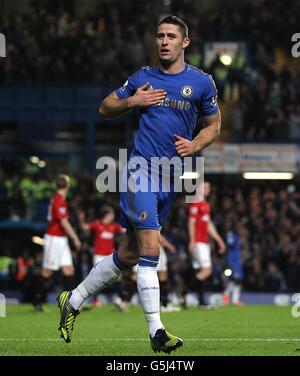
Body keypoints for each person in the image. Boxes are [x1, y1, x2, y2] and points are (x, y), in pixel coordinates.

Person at [57, 15, 221, 353]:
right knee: (151, 245)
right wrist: (132, 101)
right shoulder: (143, 78)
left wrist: (195, 145)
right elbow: (105, 107)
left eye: (171, 36)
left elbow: (213, 125)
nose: (164, 41)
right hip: (139, 170)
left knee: (129, 254)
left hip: (170, 177)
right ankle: (157, 332)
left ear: (184, 43)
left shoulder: (202, 83)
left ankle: (72, 300)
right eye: (160, 35)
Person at [33, 174, 81, 311]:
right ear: (67, 185)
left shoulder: (58, 199)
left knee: (68, 270)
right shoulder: (59, 200)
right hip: (54, 239)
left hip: (61, 238)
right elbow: (64, 222)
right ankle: (37, 301)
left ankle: (72, 303)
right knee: (47, 271)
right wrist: (75, 238)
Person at [188, 181, 226, 307]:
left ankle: (201, 302)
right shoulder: (195, 203)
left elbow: (208, 225)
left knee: (200, 271)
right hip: (198, 242)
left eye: (208, 187)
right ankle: (183, 292)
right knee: (207, 271)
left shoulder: (206, 205)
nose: (207, 189)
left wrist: (219, 240)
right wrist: (192, 240)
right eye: (204, 187)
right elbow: (191, 222)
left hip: (204, 242)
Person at [78, 206, 125, 306]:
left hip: (110, 256)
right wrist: (81, 219)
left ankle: (120, 299)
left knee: (118, 277)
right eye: (112, 214)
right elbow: (85, 227)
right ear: (107, 214)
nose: (113, 216)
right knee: (97, 278)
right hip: (98, 256)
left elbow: (124, 230)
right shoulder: (97, 224)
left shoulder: (114, 226)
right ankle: (95, 300)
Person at [223, 224, 244, 305]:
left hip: (237, 263)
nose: (243, 231)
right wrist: (229, 234)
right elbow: (230, 244)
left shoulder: (238, 238)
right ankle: (226, 297)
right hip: (232, 262)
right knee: (234, 280)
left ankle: (234, 300)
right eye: (241, 229)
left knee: (236, 281)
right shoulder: (232, 236)